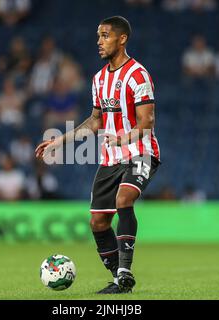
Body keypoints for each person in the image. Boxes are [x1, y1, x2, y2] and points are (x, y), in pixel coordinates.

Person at [35, 16, 161, 294]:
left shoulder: (138, 75)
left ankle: (126, 270)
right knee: (98, 221)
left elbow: (147, 122)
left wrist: (123, 137)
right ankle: (120, 280)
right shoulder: (99, 79)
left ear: (122, 39)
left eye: (105, 36)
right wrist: (60, 140)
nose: (99, 42)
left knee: (124, 199)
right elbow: (95, 122)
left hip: (141, 152)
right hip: (110, 158)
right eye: (98, 36)